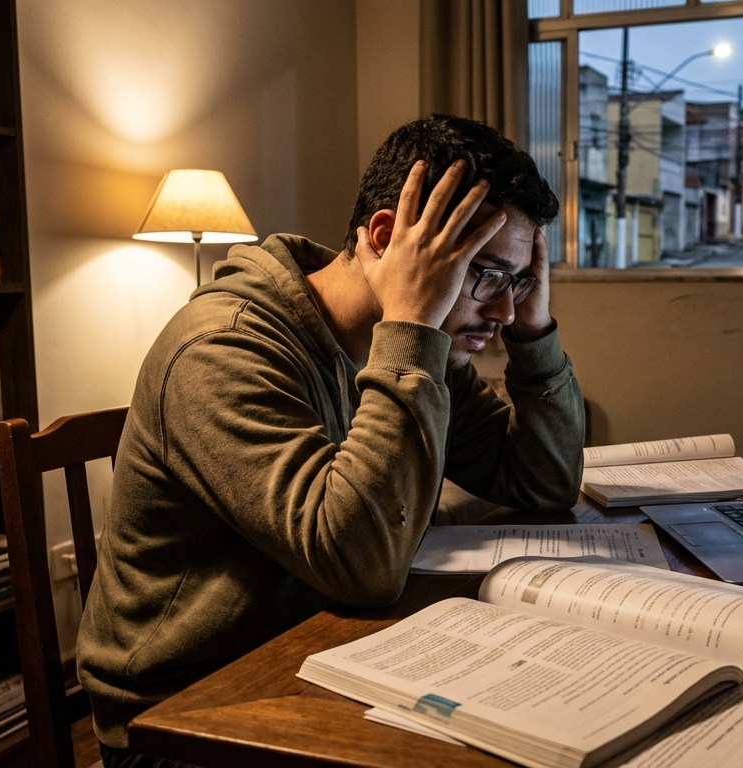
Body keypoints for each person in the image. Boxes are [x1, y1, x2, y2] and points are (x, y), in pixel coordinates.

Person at [78, 114, 587, 762]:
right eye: (484, 273)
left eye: (519, 281)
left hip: (333, 644)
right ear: (385, 238)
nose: (504, 312)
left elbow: (541, 480)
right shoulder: (223, 350)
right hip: (188, 710)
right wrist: (412, 322)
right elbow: (364, 567)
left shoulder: (430, 345)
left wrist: (536, 332)